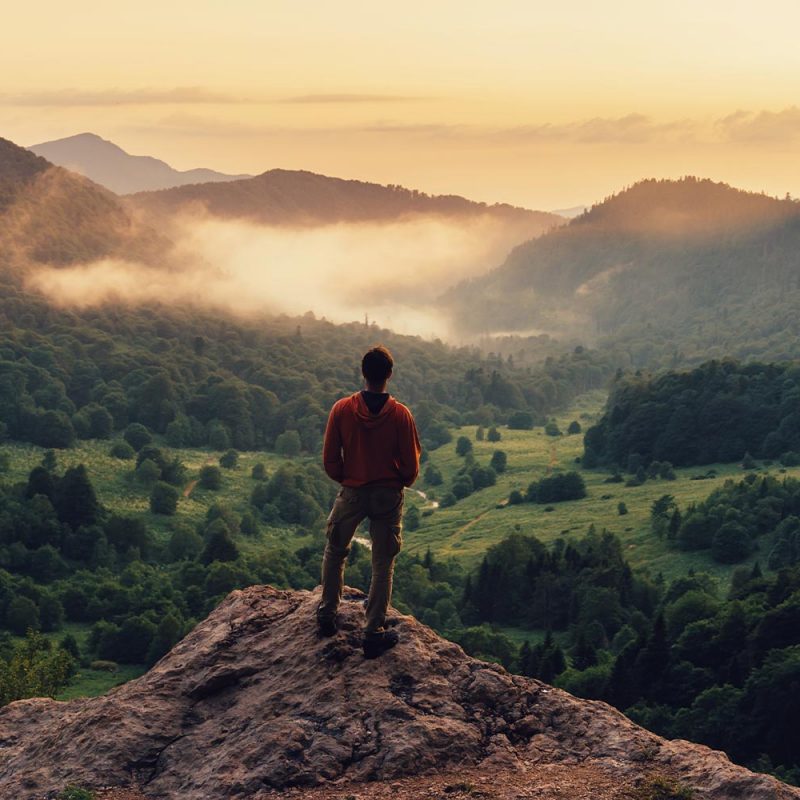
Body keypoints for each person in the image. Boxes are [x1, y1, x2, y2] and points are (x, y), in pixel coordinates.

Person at [317, 345, 421, 658]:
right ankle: (373, 630)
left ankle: (326, 615)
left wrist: (349, 480)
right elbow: (411, 467)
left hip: (352, 492)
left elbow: (330, 459)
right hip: (387, 495)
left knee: (335, 551)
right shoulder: (400, 414)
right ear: (389, 375)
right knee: (383, 561)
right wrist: (396, 481)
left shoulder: (342, 410)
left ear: (363, 373)